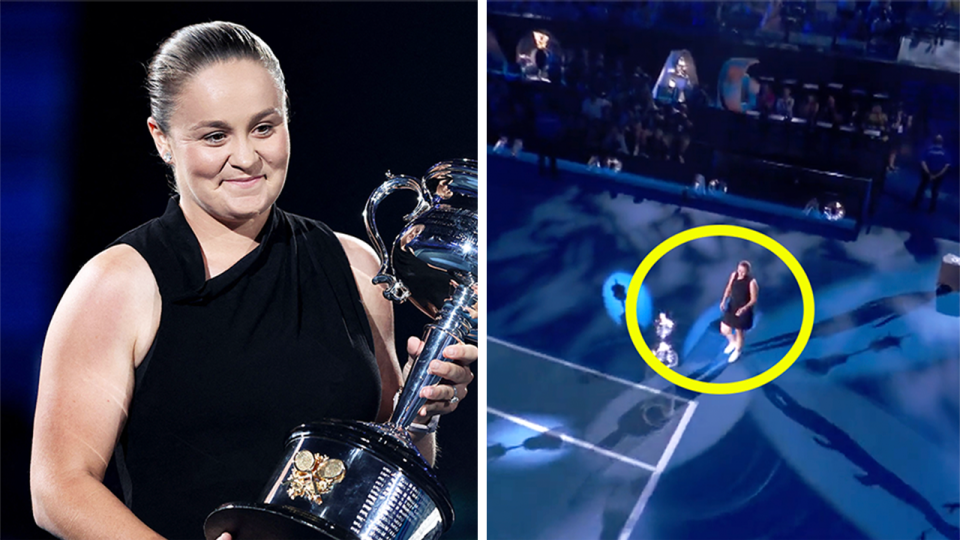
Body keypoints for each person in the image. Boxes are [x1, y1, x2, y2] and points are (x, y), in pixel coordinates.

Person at [30, 22, 477, 540]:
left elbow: (386, 468)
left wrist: (424, 416)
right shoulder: (120, 283)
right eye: (215, 136)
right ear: (162, 140)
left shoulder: (354, 266)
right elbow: (59, 488)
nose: (245, 157)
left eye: (264, 128)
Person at [719, 261, 759, 363]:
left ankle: (738, 350)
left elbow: (753, 299)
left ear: (747, 272)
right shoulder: (734, 275)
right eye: (739, 270)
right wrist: (723, 300)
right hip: (732, 306)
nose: (740, 273)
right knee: (724, 328)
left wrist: (744, 308)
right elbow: (728, 288)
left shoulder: (751, 282)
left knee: (739, 331)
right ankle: (732, 342)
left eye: (743, 272)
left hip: (743, 309)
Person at [912, 134, 951, 213]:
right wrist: (937, 175)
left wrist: (928, 173)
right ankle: (932, 207)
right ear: (942, 142)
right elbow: (946, 166)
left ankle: (915, 203)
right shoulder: (945, 152)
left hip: (927, 172)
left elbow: (923, 162)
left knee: (922, 187)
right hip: (938, 173)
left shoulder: (928, 150)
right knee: (935, 190)